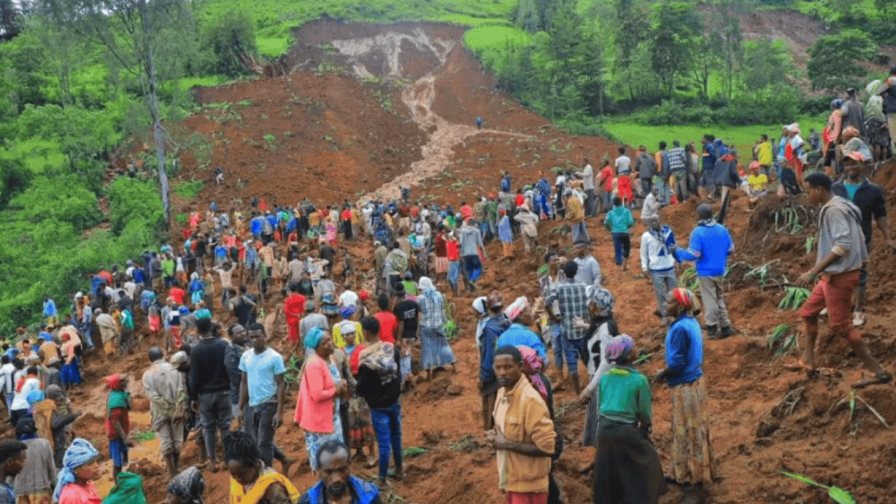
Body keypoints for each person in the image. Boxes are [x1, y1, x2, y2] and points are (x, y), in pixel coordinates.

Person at [794, 173, 892, 388]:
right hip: (831, 275)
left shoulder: (835, 211)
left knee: (841, 326)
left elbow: (842, 245)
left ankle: (879, 372)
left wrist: (812, 271)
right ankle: (808, 361)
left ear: (820, 189)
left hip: (839, 276)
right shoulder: (839, 204)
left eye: (808, 190)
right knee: (808, 313)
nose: (807, 195)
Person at [655, 289, 718, 497]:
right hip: (695, 383)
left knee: (688, 432)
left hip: (685, 387)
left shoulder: (680, 329)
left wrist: (661, 375)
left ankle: (695, 481)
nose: (665, 303)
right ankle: (683, 471)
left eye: (670, 301)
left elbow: (678, 363)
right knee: (694, 429)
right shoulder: (690, 322)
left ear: (680, 307)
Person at [592, 335, 665, 504]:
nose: (636, 349)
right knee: (647, 462)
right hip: (626, 430)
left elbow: (601, 405)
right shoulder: (639, 380)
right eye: (633, 347)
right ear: (630, 355)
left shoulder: (605, 377)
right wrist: (646, 426)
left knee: (607, 469)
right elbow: (644, 412)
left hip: (604, 429)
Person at [831, 154, 895, 326]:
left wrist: (888, 238)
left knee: (859, 274)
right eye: (847, 164)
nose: (850, 167)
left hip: (862, 239)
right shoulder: (835, 188)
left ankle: (858, 310)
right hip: (837, 238)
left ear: (862, 165)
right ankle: (838, 305)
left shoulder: (873, 190)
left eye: (854, 164)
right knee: (836, 271)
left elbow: (880, 215)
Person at [487, 346, 556, 504]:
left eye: (508, 367)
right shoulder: (501, 394)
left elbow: (547, 447)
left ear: (520, 366)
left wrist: (506, 444)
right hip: (511, 480)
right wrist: (495, 438)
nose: (503, 372)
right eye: (498, 368)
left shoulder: (530, 400)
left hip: (529, 488)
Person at [674, 204, 735, 339]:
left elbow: (693, 255)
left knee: (710, 299)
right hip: (720, 269)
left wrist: (678, 251)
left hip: (706, 271)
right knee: (719, 297)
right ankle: (725, 326)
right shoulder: (722, 229)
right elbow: (731, 249)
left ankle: (712, 327)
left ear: (699, 216)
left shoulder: (698, 232)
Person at [355, 317, 402, 488]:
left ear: (366, 333)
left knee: (383, 442)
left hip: (378, 405)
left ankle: (381, 478)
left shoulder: (365, 358)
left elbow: (362, 386)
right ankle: (399, 468)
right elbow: (398, 372)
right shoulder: (390, 348)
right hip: (395, 399)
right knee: (396, 435)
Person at [294, 328, 346, 472]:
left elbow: (334, 380)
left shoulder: (330, 359)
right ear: (316, 347)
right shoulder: (314, 365)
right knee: (325, 461)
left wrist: (341, 384)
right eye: (325, 343)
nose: (330, 344)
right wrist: (336, 390)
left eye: (330, 340)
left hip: (332, 417)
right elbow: (317, 395)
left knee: (335, 456)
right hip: (320, 422)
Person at [237, 323, 287, 471]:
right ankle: (284, 459)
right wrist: (240, 408)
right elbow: (244, 382)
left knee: (263, 443)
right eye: (251, 337)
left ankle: (266, 473)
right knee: (257, 440)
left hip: (269, 403)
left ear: (265, 336)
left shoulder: (274, 357)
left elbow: (281, 384)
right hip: (252, 405)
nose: (254, 340)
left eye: (257, 336)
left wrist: (279, 411)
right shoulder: (246, 356)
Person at [188, 318, 232, 473]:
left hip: (205, 394)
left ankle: (212, 461)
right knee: (226, 426)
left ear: (198, 331)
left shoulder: (196, 350)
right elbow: (229, 367)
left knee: (208, 427)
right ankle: (227, 459)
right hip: (225, 391)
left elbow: (194, 377)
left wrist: (193, 397)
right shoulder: (224, 345)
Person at [545, 262, 590, 394]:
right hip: (582, 328)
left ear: (564, 272)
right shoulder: (583, 286)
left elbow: (547, 302)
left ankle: (578, 393)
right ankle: (592, 385)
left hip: (567, 330)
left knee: (572, 365)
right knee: (587, 359)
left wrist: (553, 317)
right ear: (576, 272)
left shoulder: (559, 287)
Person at [142, 347, 187, 478]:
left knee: (166, 443)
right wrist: (177, 408)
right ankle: (176, 467)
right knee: (177, 441)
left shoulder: (147, 374)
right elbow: (181, 390)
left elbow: (152, 396)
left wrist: (165, 406)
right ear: (163, 355)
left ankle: (172, 473)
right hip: (177, 410)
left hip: (159, 411)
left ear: (149, 359)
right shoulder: (175, 369)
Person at [225, 431, 299, 504]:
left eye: (242, 474)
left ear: (256, 464)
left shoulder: (272, 488)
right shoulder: (240, 475)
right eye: (233, 475)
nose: (238, 479)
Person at [297, 440, 380, 504]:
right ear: (318, 471)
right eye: (329, 472)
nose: (336, 479)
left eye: (342, 470)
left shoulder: (370, 495)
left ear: (349, 466)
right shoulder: (307, 501)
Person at [478, 292, 509, 430]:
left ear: (489, 309)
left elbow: (488, 354)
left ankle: (491, 433)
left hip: (495, 370)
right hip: (510, 366)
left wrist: (484, 375)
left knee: (490, 404)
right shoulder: (507, 321)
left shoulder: (490, 328)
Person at [417, 277, 456, 380]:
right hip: (439, 324)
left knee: (427, 349)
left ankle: (429, 374)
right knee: (444, 345)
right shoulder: (439, 295)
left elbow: (420, 314)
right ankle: (453, 365)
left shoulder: (420, 299)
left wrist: (417, 330)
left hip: (426, 326)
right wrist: (445, 321)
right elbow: (442, 310)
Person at [640, 217, 677, 321]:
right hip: (656, 270)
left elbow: (674, 247)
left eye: (656, 221)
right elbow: (643, 253)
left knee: (673, 293)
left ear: (660, 221)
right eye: (652, 221)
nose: (654, 223)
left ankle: (674, 315)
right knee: (661, 295)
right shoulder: (646, 236)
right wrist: (645, 268)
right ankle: (665, 317)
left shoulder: (668, 232)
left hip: (670, 267)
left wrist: (677, 261)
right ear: (649, 224)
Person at [13, 417, 55, 503]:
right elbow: (51, 468)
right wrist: (55, 486)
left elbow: (9, 473)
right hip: (41, 489)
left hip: (21, 491)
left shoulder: (14, 447)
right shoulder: (44, 444)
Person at [497, 297, 547, 362]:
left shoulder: (501, 338)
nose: (531, 314)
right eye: (529, 310)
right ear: (520, 315)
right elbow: (544, 361)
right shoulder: (530, 336)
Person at [53, 439, 101, 504]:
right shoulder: (70, 497)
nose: (96, 466)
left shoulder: (88, 485)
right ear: (76, 469)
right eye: (90, 463)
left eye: (96, 461)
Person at [103, 373, 131, 481]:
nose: (126, 383)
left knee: (120, 459)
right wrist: (125, 438)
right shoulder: (116, 399)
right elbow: (115, 421)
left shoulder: (118, 394)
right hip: (116, 435)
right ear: (118, 384)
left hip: (118, 433)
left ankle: (119, 481)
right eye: (123, 381)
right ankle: (117, 484)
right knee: (117, 462)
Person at [392, 285, 419, 386]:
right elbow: (418, 317)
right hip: (412, 333)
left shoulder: (397, 307)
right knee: (407, 355)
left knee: (404, 357)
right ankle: (408, 377)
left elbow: (400, 323)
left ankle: (406, 379)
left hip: (404, 336)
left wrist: (398, 338)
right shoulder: (413, 303)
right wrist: (417, 333)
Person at [604, 197, 635, 270]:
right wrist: (626, 228)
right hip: (625, 232)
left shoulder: (611, 212)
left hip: (615, 233)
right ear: (621, 203)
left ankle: (618, 268)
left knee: (618, 249)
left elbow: (606, 222)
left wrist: (610, 229)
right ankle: (625, 265)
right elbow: (631, 222)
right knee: (626, 248)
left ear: (613, 204)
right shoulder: (626, 211)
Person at [459, 219, 486, 292]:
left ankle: (472, 289)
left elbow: (461, 243)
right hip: (474, 253)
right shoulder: (477, 231)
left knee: (469, 270)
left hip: (465, 254)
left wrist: (461, 253)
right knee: (478, 268)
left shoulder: (463, 232)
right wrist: (484, 253)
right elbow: (480, 243)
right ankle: (472, 280)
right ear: (474, 224)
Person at [0, 439, 27, 504]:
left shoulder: (5, 487)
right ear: (10, 461)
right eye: (22, 461)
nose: (23, 465)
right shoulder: (2, 493)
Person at [283, 285, 307, 350]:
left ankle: (295, 349)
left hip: (292, 320)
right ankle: (302, 346)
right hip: (302, 319)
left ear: (290, 291)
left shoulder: (288, 300)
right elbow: (305, 307)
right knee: (302, 333)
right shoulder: (302, 298)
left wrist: (294, 314)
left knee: (294, 337)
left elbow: (286, 311)